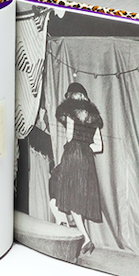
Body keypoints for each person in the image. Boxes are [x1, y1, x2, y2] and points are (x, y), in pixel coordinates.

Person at [48, 82, 104, 255]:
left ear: (72, 96)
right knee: (75, 198)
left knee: (68, 195)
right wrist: (85, 148)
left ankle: (84, 238)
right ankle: (70, 230)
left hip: (73, 155)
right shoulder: (94, 118)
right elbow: (98, 147)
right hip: (86, 160)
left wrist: (76, 148)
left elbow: (69, 137)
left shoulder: (70, 112)